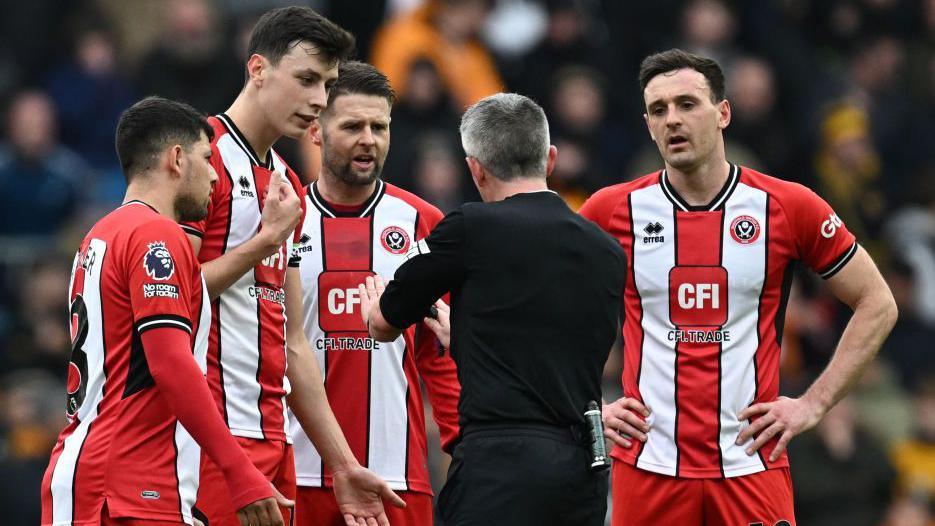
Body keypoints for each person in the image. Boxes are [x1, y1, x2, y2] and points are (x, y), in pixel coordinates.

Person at [578, 48, 898, 526]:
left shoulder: (788, 207)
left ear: (723, 112)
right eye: (658, 110)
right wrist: (589, 408)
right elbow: (544, 307)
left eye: (687, 104)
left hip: (752, 465)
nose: (673, 120)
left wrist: (813, 404)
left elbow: (878, 303)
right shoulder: (609, 211)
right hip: (647, 468)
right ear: (647, 125)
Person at [177, 7, 404, 526]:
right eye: (306, 79)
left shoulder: (285, 181)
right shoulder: (198, 158)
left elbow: (293, 341)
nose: (319, 100)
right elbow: (172, 297)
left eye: (326, 84)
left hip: (274, 439)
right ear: (258, 69)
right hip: (208, 441)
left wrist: (343, 465)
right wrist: (267, 240)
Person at [360, 93, 625, 525]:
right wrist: (466, 338)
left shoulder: (469, 228)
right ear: (550, 158)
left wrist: (376, 310)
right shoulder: (606, 251)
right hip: (580, 468)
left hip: (498, 465)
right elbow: (549, 348)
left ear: (475, 168)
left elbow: (388, 320)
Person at [40, 96, 290, 526]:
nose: (214, 175)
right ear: (176, 159)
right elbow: (171, 363)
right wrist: (239, 471)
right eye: (206, 159)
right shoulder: (158, 235)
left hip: (88, 472)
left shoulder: (99, 236)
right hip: (129, 485)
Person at [290, 60, 460, 526]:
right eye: (352, 126)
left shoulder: (422, 222)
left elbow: (439, 354)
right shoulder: (282, 221)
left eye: (379, 126)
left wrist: (461, 447)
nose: (369, 138)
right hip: (294, 476)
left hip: (397, 477)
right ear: (316, 132)